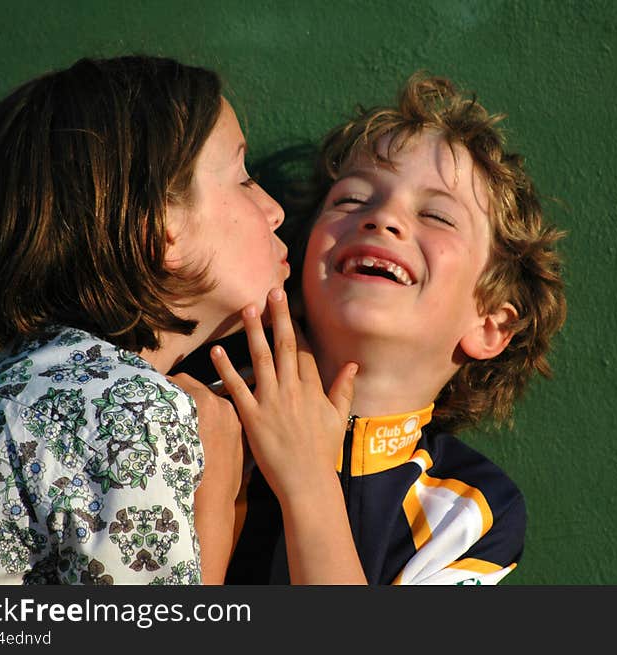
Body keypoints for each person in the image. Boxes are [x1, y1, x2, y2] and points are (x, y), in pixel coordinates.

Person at [177, 71, 567, 584]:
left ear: (491, 325)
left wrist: (308, 479)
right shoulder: (190, 407)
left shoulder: (472, 514)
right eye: (352, 200)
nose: (383, 218)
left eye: (437, 215)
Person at [0, 55, 289, 584]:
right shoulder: (130, 411)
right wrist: (216, 500)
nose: (275, 210)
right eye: (243, 178)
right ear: (160, 227)